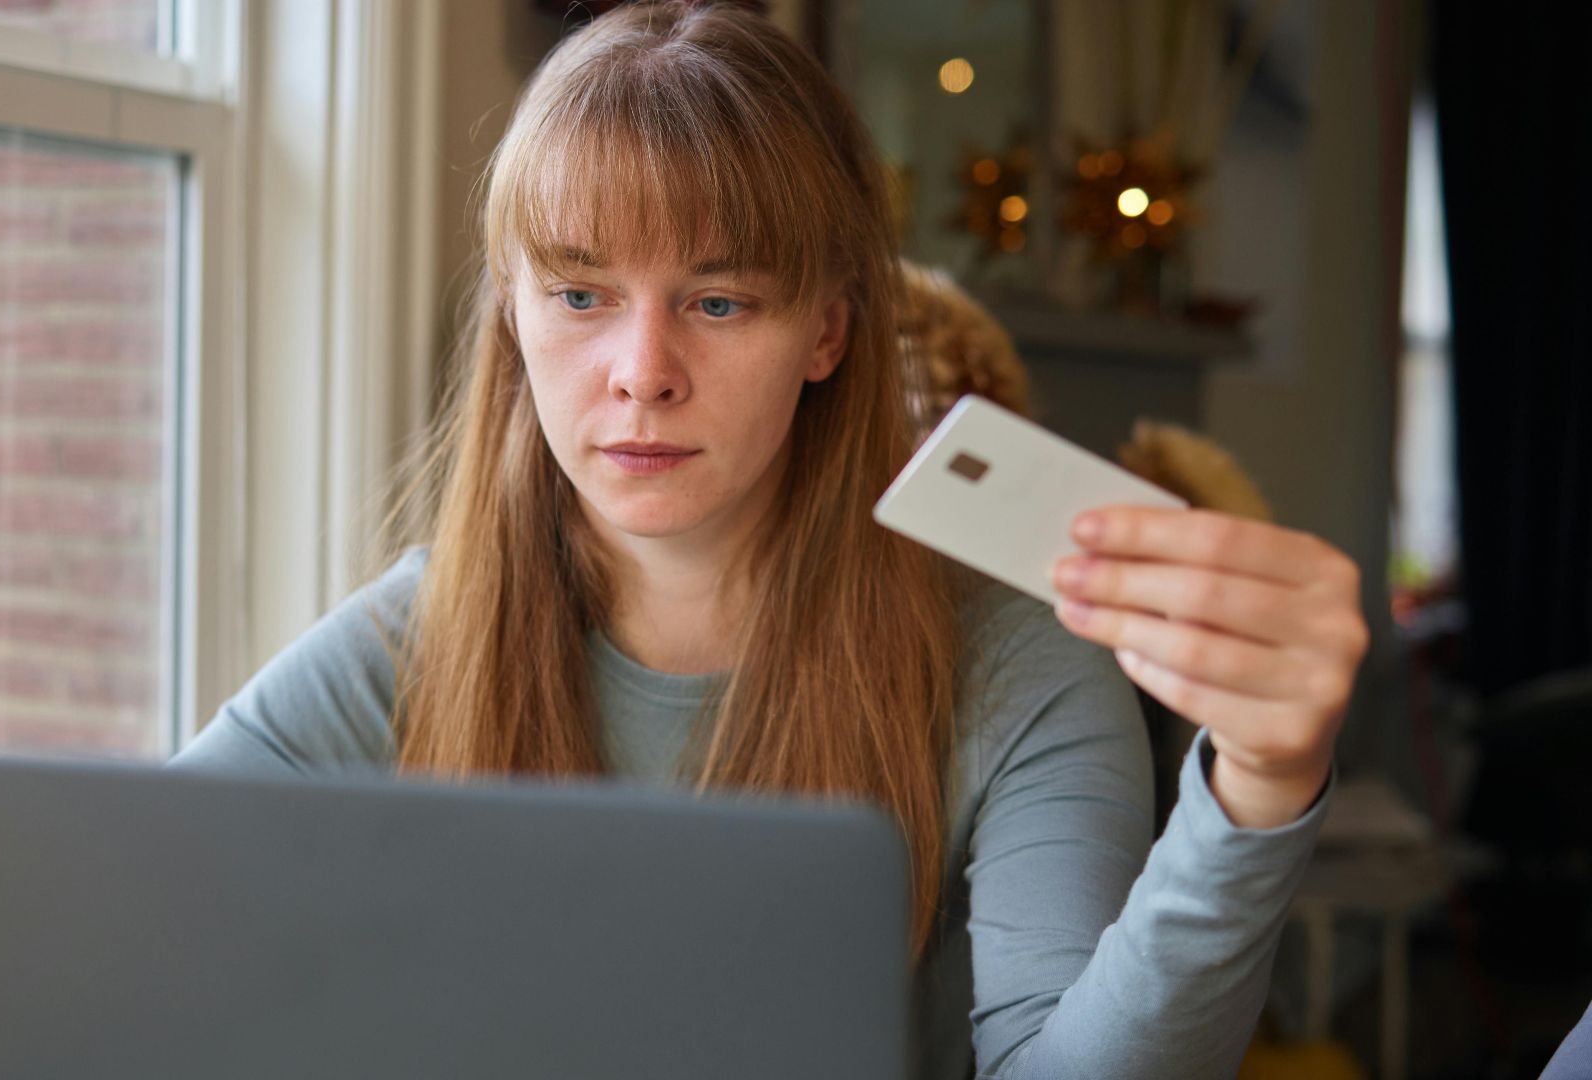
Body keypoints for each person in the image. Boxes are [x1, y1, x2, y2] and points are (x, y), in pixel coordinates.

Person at [169, 3, 1370, 1076]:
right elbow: (137, 903)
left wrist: (1259, 792)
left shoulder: (1019, 672)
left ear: (829, 333)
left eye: (719, 301)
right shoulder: (418, 635)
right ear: (513, 314)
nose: (642, 376)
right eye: (581, 296)